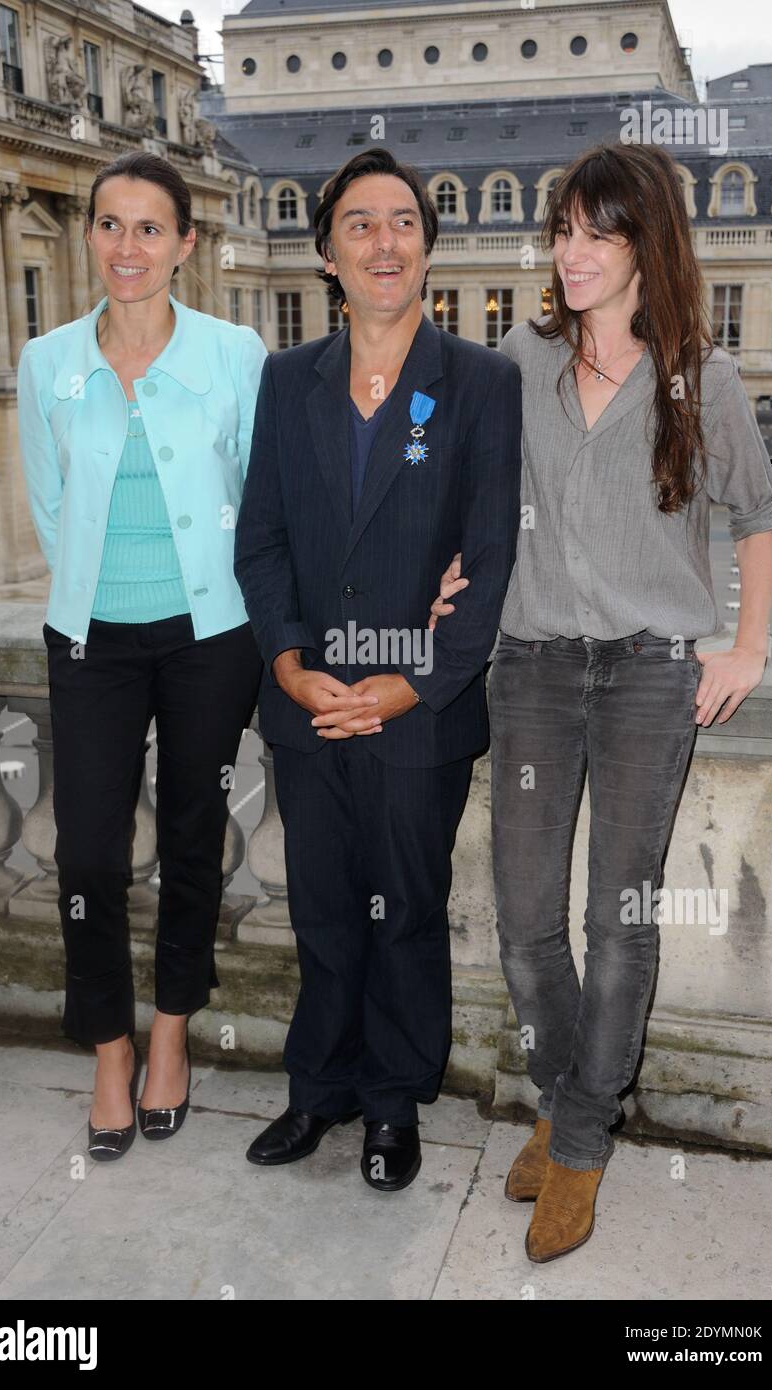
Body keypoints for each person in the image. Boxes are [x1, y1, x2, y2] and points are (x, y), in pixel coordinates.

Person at [429, 141, 772, 1257]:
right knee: (526, 922)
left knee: (615, 919)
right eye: (564, 231)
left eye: (598, 233)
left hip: (644, 674)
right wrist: (450, 572)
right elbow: (474, 495)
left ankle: (578, 1144)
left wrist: (744, 646)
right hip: (529, 668)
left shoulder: (699, 378)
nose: (571, 253)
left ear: (646, 246)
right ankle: (561, 1098)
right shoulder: (516, 361)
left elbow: (756, 517)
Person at [234, 148, 522, 1191]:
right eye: (359, 224)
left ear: (427, 250)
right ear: (326, 254)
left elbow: (488, 557)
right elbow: (259, 539)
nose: (383, 241)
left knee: (400, 906)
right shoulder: (284, 380)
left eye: (401, 221)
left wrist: (412, 681)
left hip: (417, 710)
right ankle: (319, 1088)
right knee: (320, 905)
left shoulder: (481, 382)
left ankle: (392, 1101)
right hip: (307, 701)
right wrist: (290, 663)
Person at [17, 152, 266, 1161]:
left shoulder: (235, 353)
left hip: (210, 637)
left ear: (184, 243)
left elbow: (254, 497)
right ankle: (108, 1049)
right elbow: (47, 501)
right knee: (87, 855)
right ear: (89, 236)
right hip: (90, 640)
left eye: (149, 228)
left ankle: (171, 1037)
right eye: (110, 226)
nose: (128, 248)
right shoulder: (47, 364)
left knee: (194, 839)